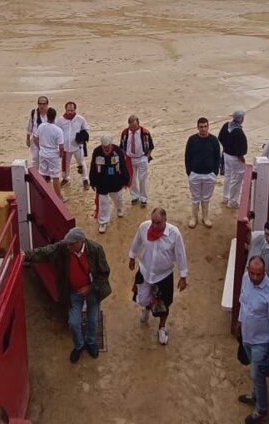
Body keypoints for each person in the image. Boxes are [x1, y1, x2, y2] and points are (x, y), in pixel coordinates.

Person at [25, 226, 112, 362]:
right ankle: (79, 345)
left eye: (71, 244)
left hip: (93, 291)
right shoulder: (63, 248)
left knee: (93, 319)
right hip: (73, 291)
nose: (68, 247)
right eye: (67, 244)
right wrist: (27, 255)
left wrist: (90, 287)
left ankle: (90, 342)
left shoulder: (96, 249)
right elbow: (46, 252)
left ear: (80, 242)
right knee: (73, 322)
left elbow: (104, 273)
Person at [128, 208, 189, 346]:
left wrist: (183, 276)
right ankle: (147, 308)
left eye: (158, 223)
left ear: (165, 220)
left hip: (163, 275)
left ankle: (162, 327)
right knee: (143, 298)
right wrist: (132, 257)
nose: (155, 226)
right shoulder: (144, 227)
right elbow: (137, 241)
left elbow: (180, 254)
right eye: (153, 222)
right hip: (145, 271)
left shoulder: (174, 234)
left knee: (163, 305)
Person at [235, 256, 269, 423]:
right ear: (248, 270)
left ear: (265, 272)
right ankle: (255, 396)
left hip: (262, 341)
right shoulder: (245, 279)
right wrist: (240, 321)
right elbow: (243, 302)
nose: (255, 277)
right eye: (252, 273)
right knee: (254, 372)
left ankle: (262, 410)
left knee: (257, 375)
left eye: (259, 274)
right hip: (247, 336)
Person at [184, 117, 221, 228]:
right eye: (201, 127)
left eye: (205, 126)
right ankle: (194, 217)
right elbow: (187, 156)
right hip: (195, 174)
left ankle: (205, 217)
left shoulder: (214, 140)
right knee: (195, 198)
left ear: (208, 126)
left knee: (206, 198)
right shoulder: (192, 139)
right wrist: (189, 172)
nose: (203, 129)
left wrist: (215, 172)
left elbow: (217, 157)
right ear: (197, 127)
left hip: (209, 174)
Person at [90, 134, 129, 233]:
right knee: (103, 202)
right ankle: (103, 221)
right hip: (102, 181)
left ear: (111, 144)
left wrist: (126, 179)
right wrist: (92, 181)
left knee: (118, 197)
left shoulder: (118, 151)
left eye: (108, 146)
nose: (106, 149)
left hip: (115, 180)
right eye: (104, 147)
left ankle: (119, 208)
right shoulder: (97, 151)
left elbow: (123, 166)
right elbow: (93, 166)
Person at [120, 114, 155, 207]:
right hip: (129, 159)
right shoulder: (125, 133)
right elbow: (122, 147)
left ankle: (144, 199)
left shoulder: (145, 132)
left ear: (138, 124)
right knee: (132, 179)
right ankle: (134, 197)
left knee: (142, 179)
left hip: (142, 158)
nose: (133, 128)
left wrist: (147, 157)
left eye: (134, 126)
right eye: (131, 126)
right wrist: (124, 157)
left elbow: (151, 146)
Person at [34, 107, 67, 201]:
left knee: (42, 173)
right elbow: (61, 146)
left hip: (43, 153)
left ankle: (41, 194)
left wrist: (40, 147)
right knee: (55, 176)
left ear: (47, 116)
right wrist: (61, 154)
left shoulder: (41, 126)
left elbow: (35, 139)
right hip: (53, 154)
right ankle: (58, 197)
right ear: (55, 117)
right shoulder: (58, 130)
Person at [218, 110, 248, 209]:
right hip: (235, 157)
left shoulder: (226, 125)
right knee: (237, 179)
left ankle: (225, 197)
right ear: (241, 119)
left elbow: (220, 137)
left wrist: (226, 147)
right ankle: (233, 201)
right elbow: (241, 149)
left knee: (228, 175)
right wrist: (242, 159)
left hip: (226, 155)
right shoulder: (238, 132)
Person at [57, 102, 90, 189]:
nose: (70, 112)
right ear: (65, 110)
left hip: (77, 146)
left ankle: (85, 179)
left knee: (81, 163)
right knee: (65, 164)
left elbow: (86, 129)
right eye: (68, 110)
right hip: (65, 147)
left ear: (75, 109)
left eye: (72, 110)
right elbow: (57, 132)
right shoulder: (60, 120)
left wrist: (82, 137)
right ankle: (65, 178)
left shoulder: (80, 119)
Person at [25, 96, 50, 170]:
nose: (42, 106)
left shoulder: (50, 113)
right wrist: (27, 139)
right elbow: (30, 126)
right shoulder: (34, 113)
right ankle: (35, 175)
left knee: (45, 159)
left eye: (44, 104)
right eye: (40, 104)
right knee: (35, 159)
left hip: (47, 141)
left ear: (47, 104)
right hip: (35, 140)